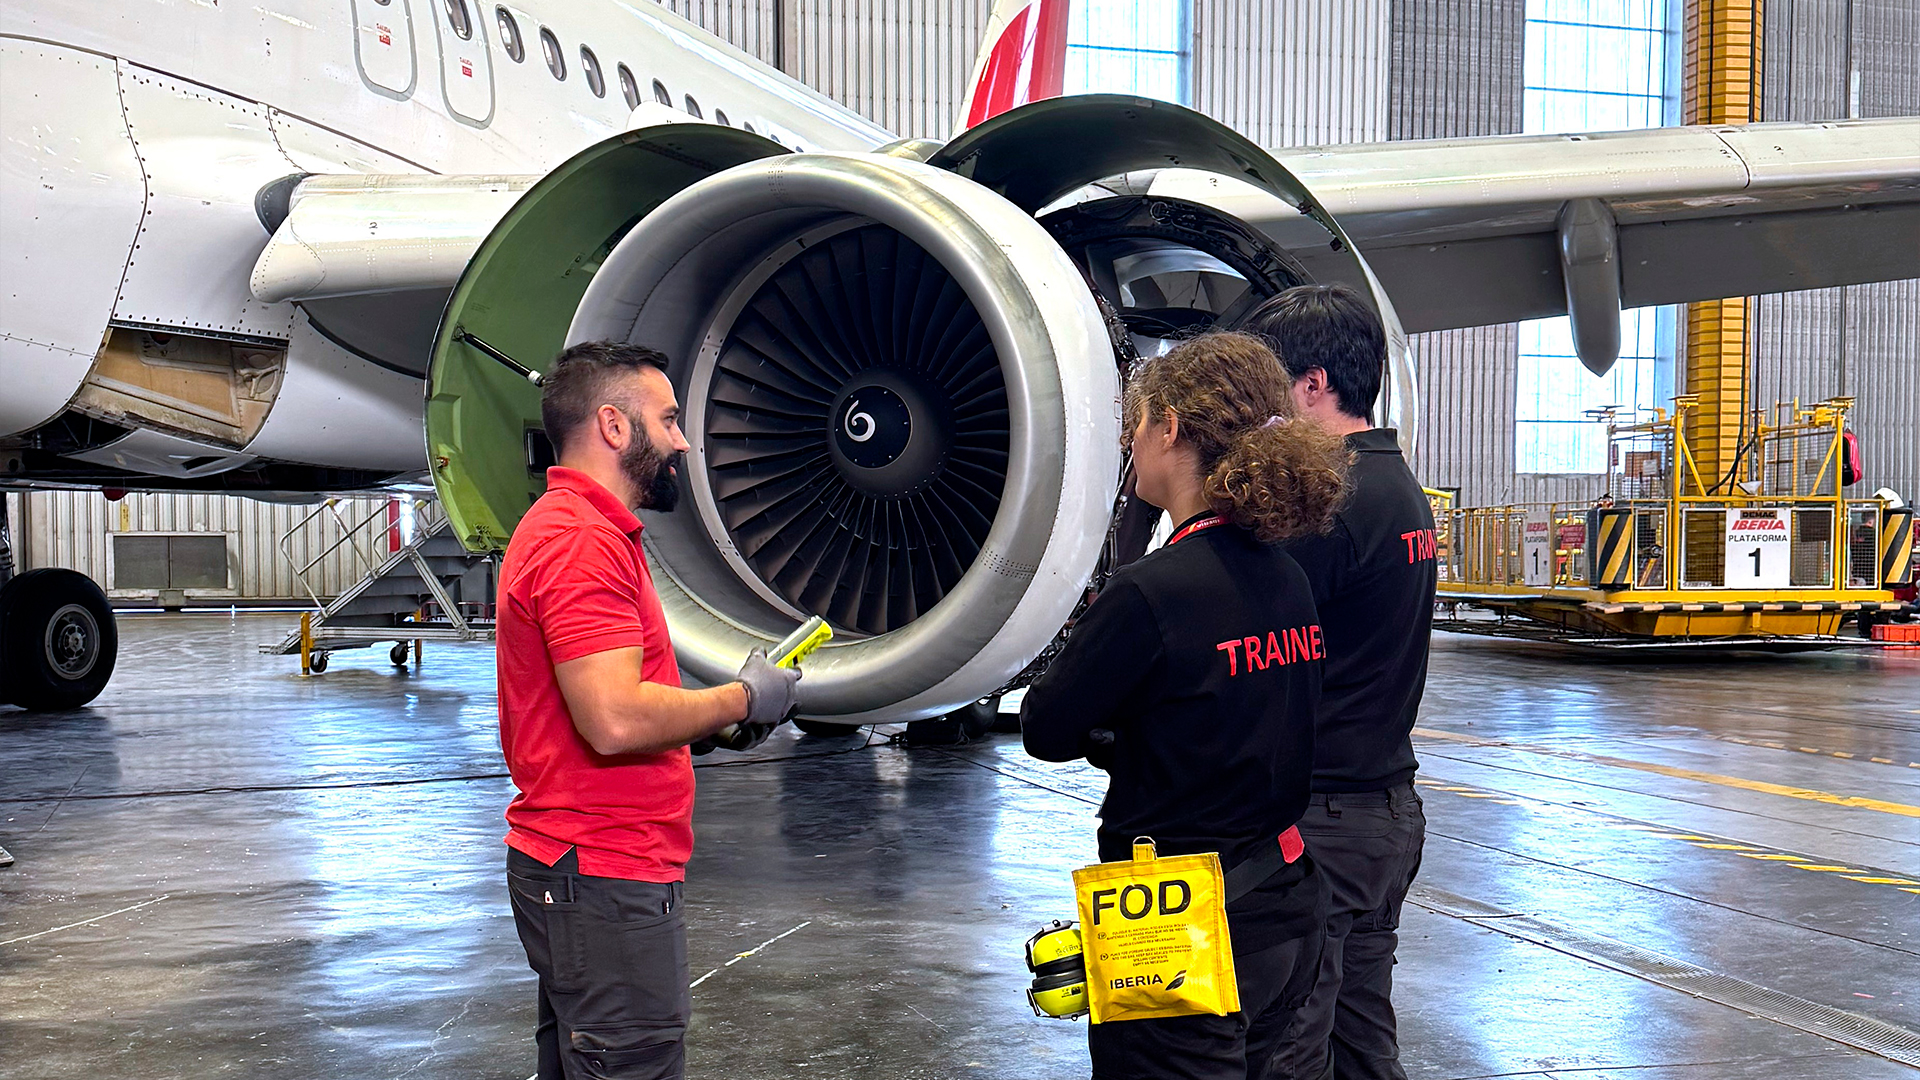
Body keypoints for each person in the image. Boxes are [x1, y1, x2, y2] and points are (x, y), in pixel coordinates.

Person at [1022, 331, 1352, 1080]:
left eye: (1137, 423)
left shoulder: (1150, 592)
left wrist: (1116, 729)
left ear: (1169, 427)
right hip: (1284, 904)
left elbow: (1045, 726)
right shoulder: (1287, 578)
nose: (1130, 442)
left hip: (1174, 924)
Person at [495, 341, 802, 1080]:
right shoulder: (582, 541)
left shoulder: (574, 526)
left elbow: (595, 709)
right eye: (667, 420)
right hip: (603, 874)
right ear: (613, 425)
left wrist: (706, 728)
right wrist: (744, 695)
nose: (682, 442)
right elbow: (614, 719)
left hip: (580, 867)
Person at [1239, 285, 1438, 1080]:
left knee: (1290, 1047)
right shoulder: (1398, 486)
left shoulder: (1330, 503)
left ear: (1313, 384)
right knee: (1360, 1042)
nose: (1262, 418)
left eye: (1271, 391)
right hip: (1384, 811)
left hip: (1325, 822)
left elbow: (1251, 646)